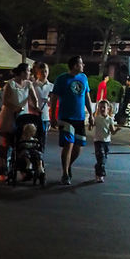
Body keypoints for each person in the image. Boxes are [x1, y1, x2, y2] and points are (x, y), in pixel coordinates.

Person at [50, 54, 95, 186]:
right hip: (66, 118)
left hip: (80, 118)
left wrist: (91, 114)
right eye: (81, 63)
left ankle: (68, 165)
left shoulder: (83, 78)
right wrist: (53, 116)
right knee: (68, 145)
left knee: (79, 146)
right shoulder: (62, 79)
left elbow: (87, 96)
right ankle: (65, 173)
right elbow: (54, 98)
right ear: (75, 66)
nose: (83, 65)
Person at [0, 62, 38, 181]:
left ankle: (23, 170)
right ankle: (2, 172)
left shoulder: (29, 84)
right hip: (9, 116)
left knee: (22, 145)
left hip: (23, 117)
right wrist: (15, 108)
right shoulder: (10, 84)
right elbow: (5, 101)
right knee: (5, 145)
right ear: (23, 72)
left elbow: (33, 98)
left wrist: (37, 107)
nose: (30, 73)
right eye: (28, 71)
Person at [30, 61, 53, 170]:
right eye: (41, 71)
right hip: (33, 117)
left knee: (42, 142)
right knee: (32, 141)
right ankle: (32, 162)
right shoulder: (33, 85)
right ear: (37, 73)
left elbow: (54, 103)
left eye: (46, 71)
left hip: (45, 118)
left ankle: (40, 163)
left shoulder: (51, 87)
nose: (44, 73)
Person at [91, 100, 117, 182]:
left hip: (106, 141)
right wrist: (91, 122)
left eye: (104, 107)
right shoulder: (97, 118)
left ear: (108, 109)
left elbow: (112, 131)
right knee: (101, 156)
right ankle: (101, 174)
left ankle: (97, 169)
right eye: (100, 107)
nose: (102, 109)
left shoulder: (110, 119)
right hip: (98, 141)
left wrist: (117, 130)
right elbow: (90, 127)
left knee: (103, 158)